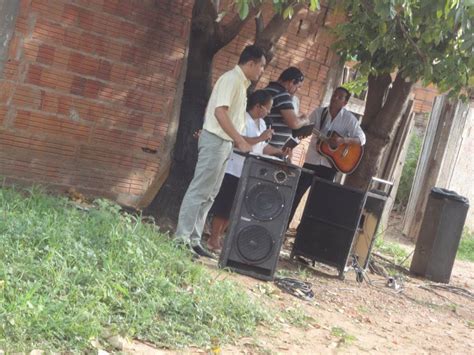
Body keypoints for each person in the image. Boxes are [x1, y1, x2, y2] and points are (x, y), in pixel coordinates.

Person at [175, 45, 266, 258]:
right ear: (250, 63)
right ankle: (181, 238)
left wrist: (235, 141)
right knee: (199, 190)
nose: (261, 71)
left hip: (224, 144)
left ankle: (194, 240)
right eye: (261, 66)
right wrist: (240, 140)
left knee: (209, 194)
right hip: (216, 140)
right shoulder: (231, 79)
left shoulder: (241, 84)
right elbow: (219, 112)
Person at [207, 90, 287, 252]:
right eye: (267, 108)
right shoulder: (242, 118)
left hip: (250, 170)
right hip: (234, 167)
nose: (269, 112)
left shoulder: (262, 124)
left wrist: (280, 152)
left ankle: (220, 237)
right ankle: (213, 237)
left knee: (235, 207)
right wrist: (260, 138)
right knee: (224, 205)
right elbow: (239, 141)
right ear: (258, 106)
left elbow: (262, 148)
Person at [288, 86, 366, 226]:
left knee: (318, 203)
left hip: (330, 166)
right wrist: (302, 130)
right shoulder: (319, 113)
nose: (335, 98)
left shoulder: (349, 119)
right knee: (295, 195)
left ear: (345, 102)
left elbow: (362, 139)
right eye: (334, 95)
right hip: (311, 161)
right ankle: (284, 228)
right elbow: (305, 129)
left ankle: (304, 235)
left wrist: (343, 141)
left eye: (339, 97)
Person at [264, 67, 310, 149]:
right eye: (298, 86)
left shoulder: (267, 89)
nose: (297, 90)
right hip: (272, 148)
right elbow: (294, 123)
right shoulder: (282, 94)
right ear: (291, 82)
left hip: (266, 146)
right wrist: (305, 119)